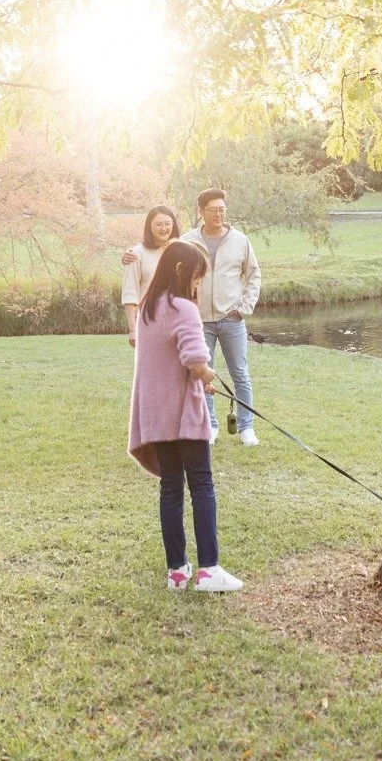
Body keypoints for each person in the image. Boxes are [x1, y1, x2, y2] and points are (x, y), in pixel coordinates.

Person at [128, 239, 243, 593]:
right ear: (182, 271)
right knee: (202, 486)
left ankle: (177, 572)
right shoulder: (183, 307)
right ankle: (209, 570)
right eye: (196, 277)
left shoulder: (149, 307)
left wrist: (199, 378)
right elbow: (195, 361)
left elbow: (169, 359)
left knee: (171, 489)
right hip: (182, 414)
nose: (197, 285)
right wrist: (210, 377)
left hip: (156, 413)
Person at [183, 188, 262, 447]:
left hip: (232, 319)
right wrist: (132, 255)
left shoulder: (240, 240)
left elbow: (253, 276)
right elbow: (162, 257)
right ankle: (210, 427)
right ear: (201, 212)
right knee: (202, 374)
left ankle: (246, 428)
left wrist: (245, 307)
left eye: (222, 209)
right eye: (213, 209)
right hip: (200, 321)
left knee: (240, 373)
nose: (219, 214)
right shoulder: (188, 241)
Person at [120, 205, 181, 346]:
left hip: (177, 319)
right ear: (149, 226)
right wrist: (132, 329)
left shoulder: (180, 250)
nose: (164, 228)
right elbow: (130, 291)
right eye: (158, 224)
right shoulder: (136, 254)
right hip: (149, 319)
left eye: (167, 224)